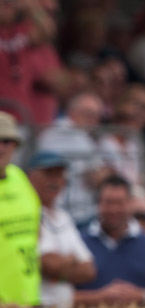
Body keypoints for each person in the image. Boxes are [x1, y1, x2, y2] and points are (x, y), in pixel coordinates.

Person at [79, 175, 145, 307]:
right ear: (98, 204)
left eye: (119, 203)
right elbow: (60, 295)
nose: (114, 210)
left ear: (130, 203)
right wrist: (100, 298)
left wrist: (141, 296)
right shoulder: (79, 243)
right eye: (108, 202)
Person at [27, 150, 96, 308]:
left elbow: (89, 270)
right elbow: (48, 264)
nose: (55, 181)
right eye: (49, 174)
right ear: (31, 177)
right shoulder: (27, 213)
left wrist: (56, 271)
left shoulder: (64, 217)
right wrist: (71, 261)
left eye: (59, 175)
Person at [36, 91, 109, 226]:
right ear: (72, 112)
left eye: (97, 116)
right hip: (64, 211)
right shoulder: (61, 133)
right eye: (88, 114)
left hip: (82, 211)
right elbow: (94, 177)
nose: (93, 120)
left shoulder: (82, 135)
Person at [0, 111, 41, 305]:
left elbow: (36, 230)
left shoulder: (19, 177)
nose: (1, 147)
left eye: (7, 140)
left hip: (28, 299)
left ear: (15, 145)